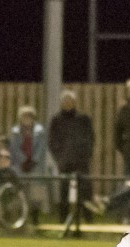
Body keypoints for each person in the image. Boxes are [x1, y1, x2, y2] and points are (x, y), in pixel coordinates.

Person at [49, 89, 95, 223]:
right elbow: (52, 141)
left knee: (85, 191)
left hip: (81, 161)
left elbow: (90, 138)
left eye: (70, 101)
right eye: (65, 101)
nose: (68, 103)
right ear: (62, 103)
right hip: (65, 161)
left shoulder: (83, 118)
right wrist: (59, 157)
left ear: (75, 103)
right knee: (64, 191)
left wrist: (86, 154)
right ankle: (63, 220)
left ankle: (88, 219)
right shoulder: (56, 119)